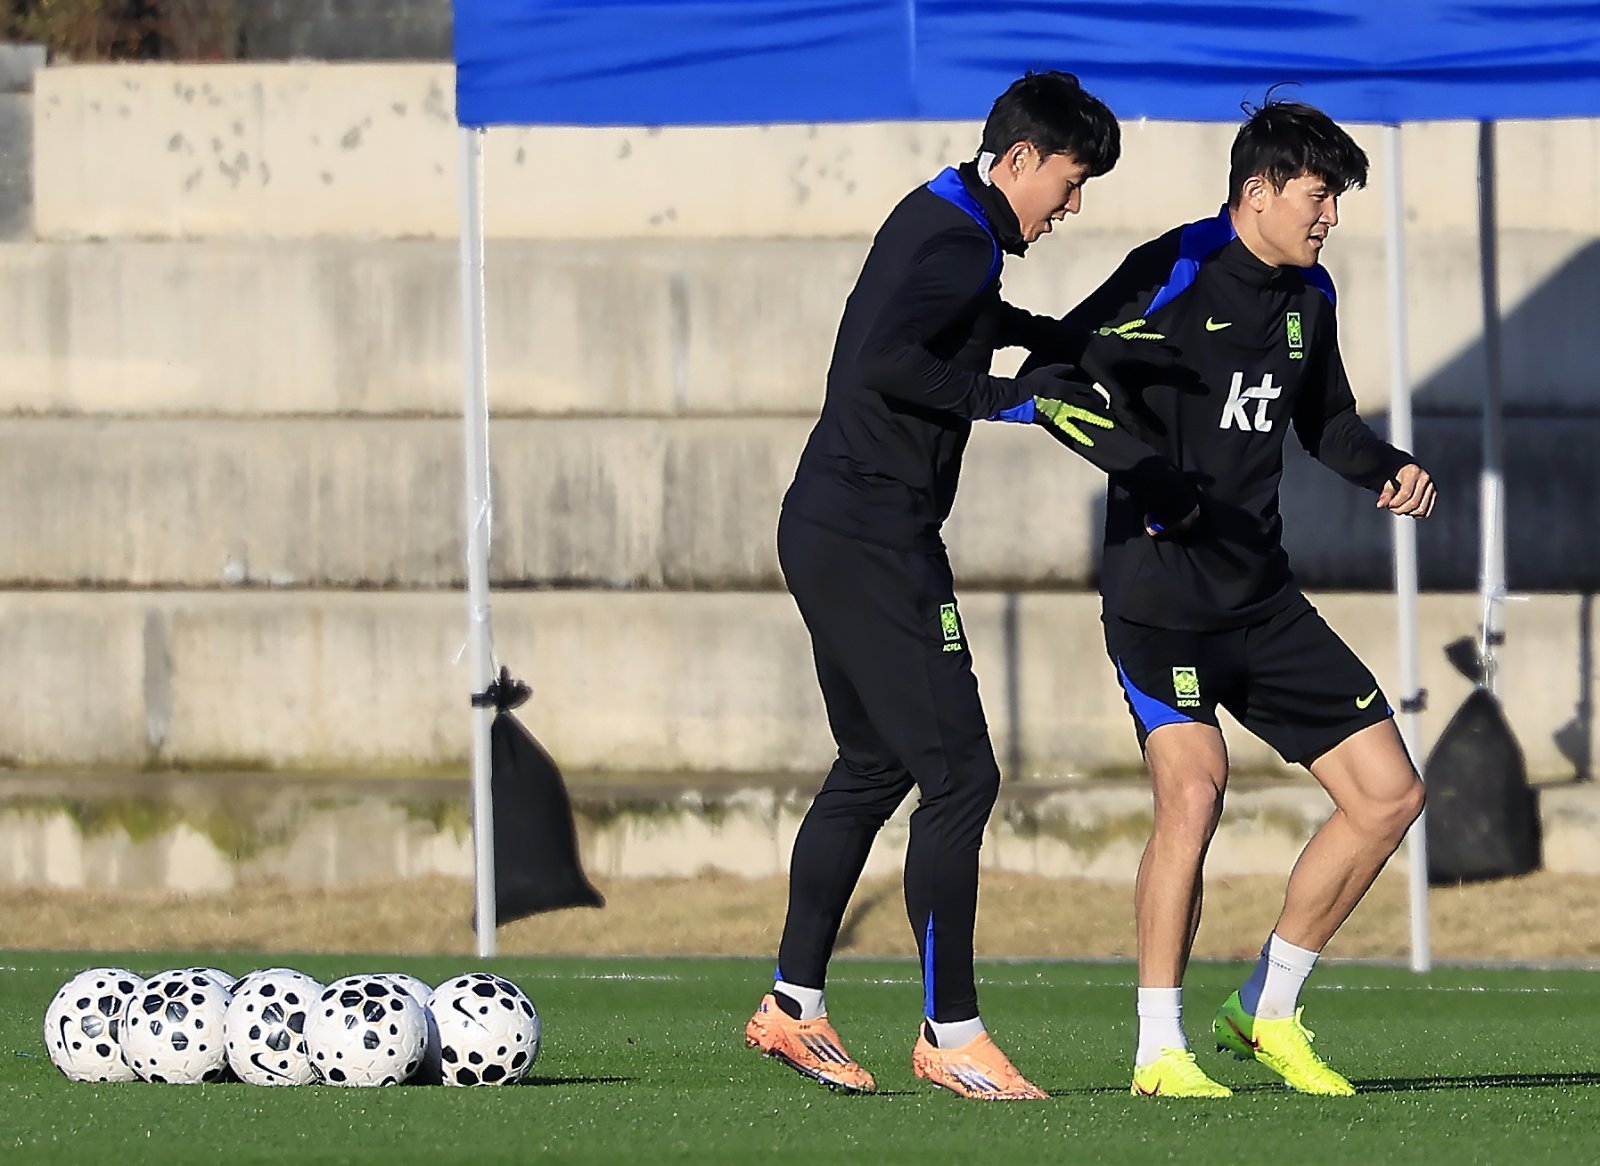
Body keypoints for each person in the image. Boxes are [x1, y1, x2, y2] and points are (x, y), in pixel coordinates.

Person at [744, 71, 1196, 1100]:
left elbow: (961, 315)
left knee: (874, 765)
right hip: (874, 538)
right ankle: (951, 1033)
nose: (1071, 206)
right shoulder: (958, 238)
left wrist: (1061, 341)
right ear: (1019, 159)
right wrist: (1017, 401)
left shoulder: (944, 211)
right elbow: (889, 362)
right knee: (960, 779)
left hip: (831, 525)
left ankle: (793, 1004)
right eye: (1070, 182)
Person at [1019, 97, 1436, 1099]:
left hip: (1261, 597)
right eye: (1317, 195)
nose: (1329, 215)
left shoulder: (1310, 294)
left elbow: (1325, 423)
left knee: (1388, 794)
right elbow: (1049, 376)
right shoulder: (1174, 268)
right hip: (1159, 598)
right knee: (1194, 789)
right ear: (1257, 192)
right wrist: (1146, 475)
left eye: (1335, 199)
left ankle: (1265, 1009)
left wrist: (1385, 466)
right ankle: (1159, 1050)